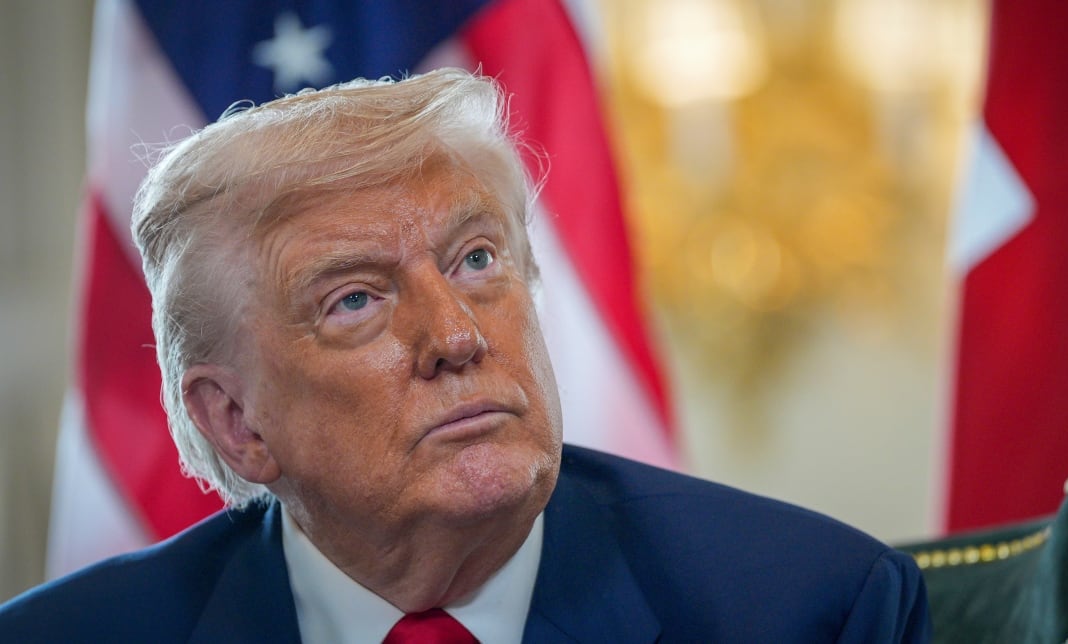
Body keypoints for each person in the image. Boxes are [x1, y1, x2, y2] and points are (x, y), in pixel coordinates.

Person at [0, 68, 929, 642]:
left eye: (477, 261)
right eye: (355, 300)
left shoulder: (808, 610)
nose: (456, 337)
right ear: (237, 422)